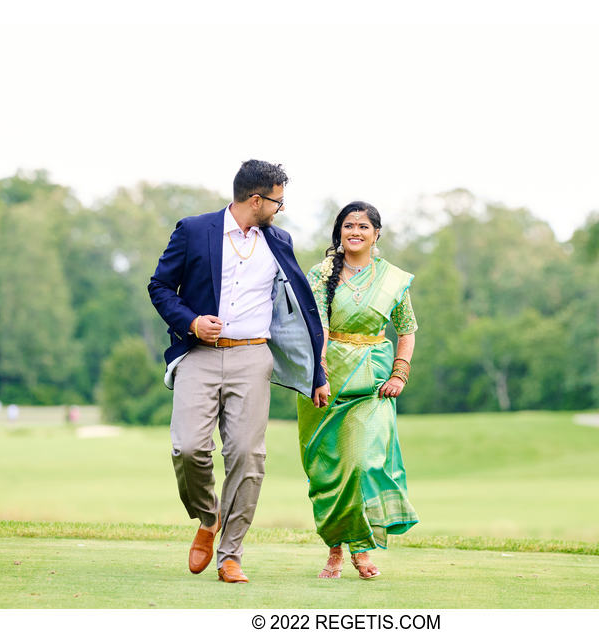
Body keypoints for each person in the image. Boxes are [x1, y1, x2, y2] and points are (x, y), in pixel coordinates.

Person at [147, 159, 330, 584]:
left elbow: (301, 308)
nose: (280, 209)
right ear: (255, 199)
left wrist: (316, 373)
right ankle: (209, 519)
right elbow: (158, 286)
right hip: (199, 354)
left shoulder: (278, 241)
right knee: (188, 448)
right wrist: (190, 321)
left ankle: (231, 554)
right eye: (277, 201)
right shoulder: (194, 231)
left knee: (248, 456)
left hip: (253, 357)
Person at [297, 201, 419, 580]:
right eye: (349, 225)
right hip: (326, 380)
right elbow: (314, 325)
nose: (355, 232)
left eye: (363, 226)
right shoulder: (320, 274)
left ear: (376, 233)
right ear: (340, 232)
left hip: (373, 382)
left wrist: (399, 373)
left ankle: (361, 549)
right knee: (331, 471)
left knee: (363, 463)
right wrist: (319, 374)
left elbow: (407, 328)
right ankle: (335, 548)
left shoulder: (392, 279)